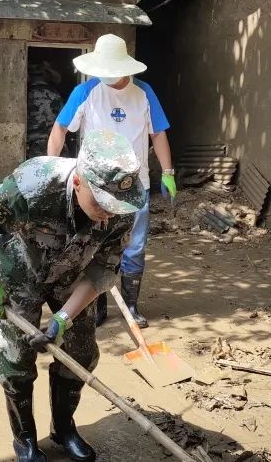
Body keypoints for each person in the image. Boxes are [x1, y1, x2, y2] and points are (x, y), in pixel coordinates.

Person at [0, 130, 144, 462]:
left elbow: (102, 269)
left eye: (115, 206)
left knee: (81, 352)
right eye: (101, 202)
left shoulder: (122, 207)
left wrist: (63, 318)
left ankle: (63, 428)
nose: (108, 213)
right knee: (17, 357)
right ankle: (25, 438)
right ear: (80, 181)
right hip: (18, 268)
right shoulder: (32, 186)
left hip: (72, 273)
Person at [46, 33, 176, 328]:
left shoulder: (144, 93)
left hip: (134, 185)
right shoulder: (85, 91)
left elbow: (158, 134)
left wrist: (168, 172)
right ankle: (96, 305)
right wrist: (54, 166)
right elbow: (60, 129)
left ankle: (131, 306)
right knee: (92, 244)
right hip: (93, 187)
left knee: (135, 245)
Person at [25, 61, 64, 159]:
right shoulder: (55, 94)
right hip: (55, 144)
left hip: (32, 146)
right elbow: (64, 122)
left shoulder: (24, 95)